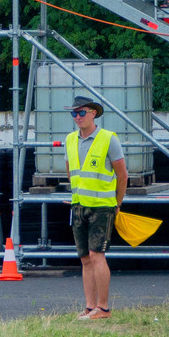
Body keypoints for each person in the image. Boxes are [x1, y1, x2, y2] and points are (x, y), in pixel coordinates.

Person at [65, 94, 127, 321]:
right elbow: (71, 172)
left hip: (102, 206)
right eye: (74, 113)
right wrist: (76, 195)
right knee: (85, 258)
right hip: (79, 205)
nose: (77, 117)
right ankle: (90, 306)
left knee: (96, 254)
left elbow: (122, 175)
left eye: (81, 112)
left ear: (93, 113)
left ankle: (103, 307)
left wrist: (117, 203)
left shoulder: (108, 139)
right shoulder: (70, 140)